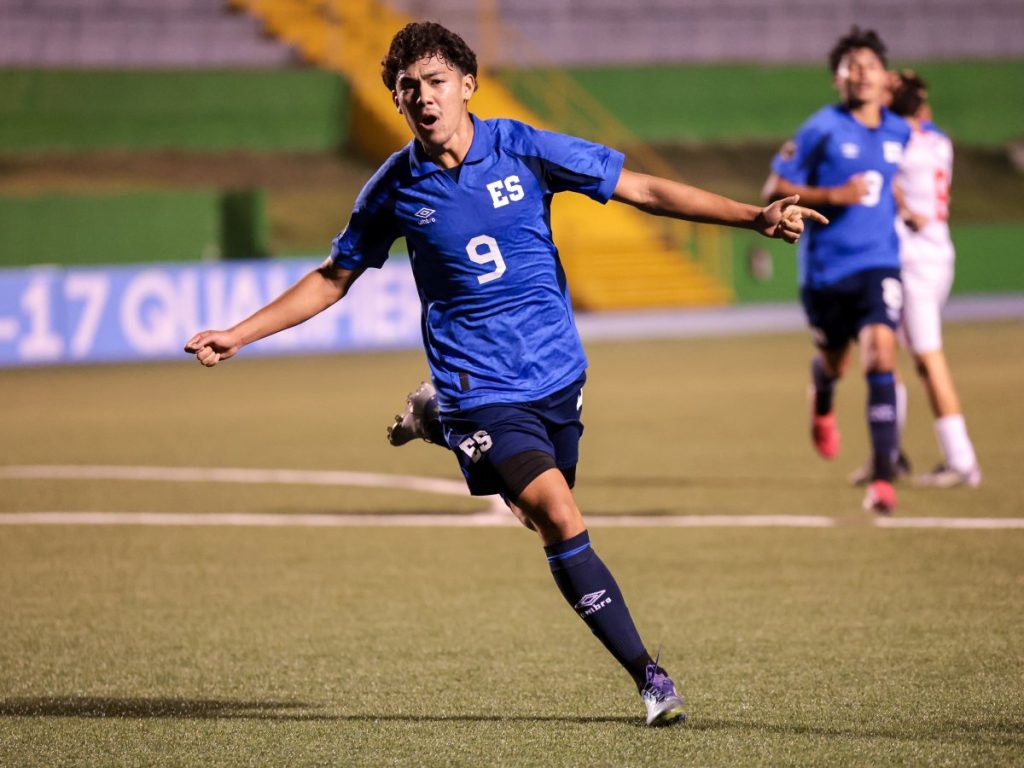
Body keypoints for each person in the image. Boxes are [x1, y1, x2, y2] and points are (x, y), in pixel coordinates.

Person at [185, 21, 825, 726]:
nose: (422, 99)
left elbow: (640, 187)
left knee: (533, 515)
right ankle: (651, 677)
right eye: (407, 90)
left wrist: (752, 217)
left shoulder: (525, 147)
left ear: (467, 84)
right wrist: (239, 334)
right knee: (559, 511)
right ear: (397, 104)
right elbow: (335, 276)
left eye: (434, 83)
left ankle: (430, 422)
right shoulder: (395, 186)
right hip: (477, 388)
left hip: (555, 374)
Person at [763, 26, 910, 514]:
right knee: (835, 361)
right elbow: (773, 188)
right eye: (852, 66)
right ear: (837, 80)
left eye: (870, 64)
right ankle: (822, 397)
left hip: (880, 263)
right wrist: (834, 197)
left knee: (881, 354)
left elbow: (891, 179)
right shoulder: (820, 128)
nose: (862, 73)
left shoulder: (898, 129)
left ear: (884, 76)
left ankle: (883, 478)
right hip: (827, 270)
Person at [884, 70, 981, 487]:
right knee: (892, 351)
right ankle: (888, 453)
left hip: (915, 259)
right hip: (937, 253)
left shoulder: (897, 141)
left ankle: (962, 460)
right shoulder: (937, 138)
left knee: (926, 355)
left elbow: (883, 176)